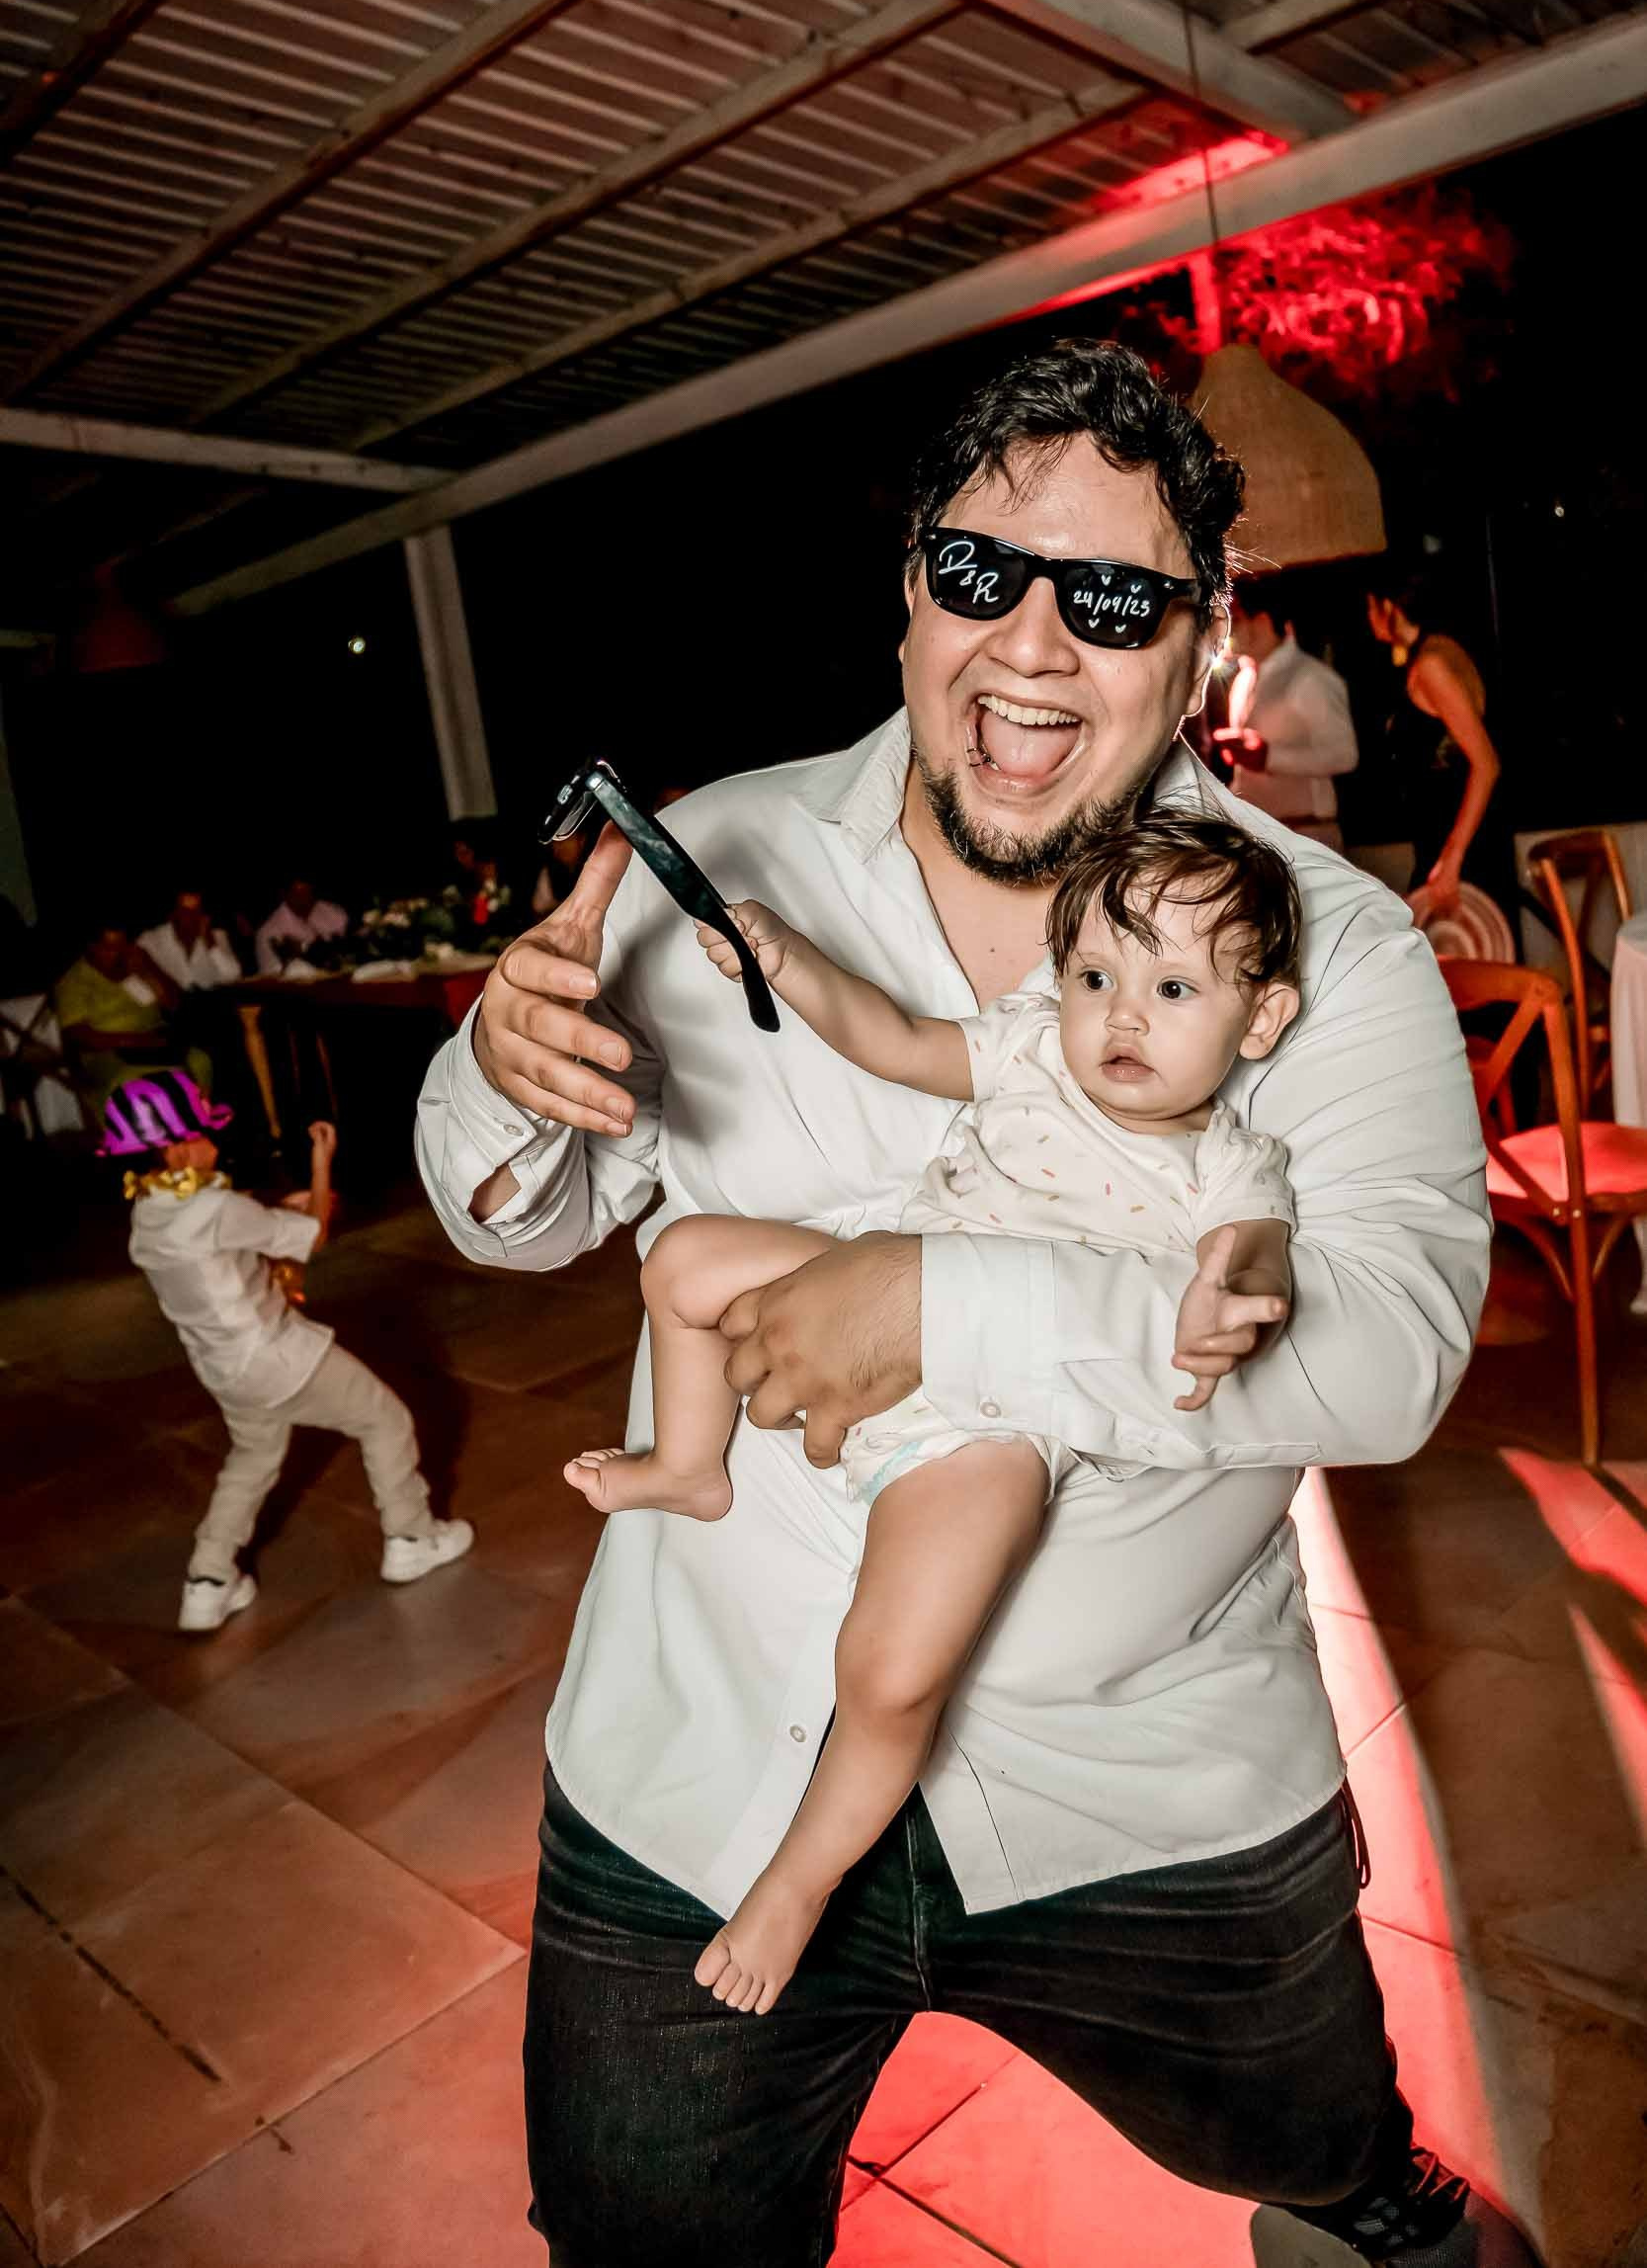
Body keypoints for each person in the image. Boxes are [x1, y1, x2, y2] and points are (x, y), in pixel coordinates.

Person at [417, 342, 1537, 2268]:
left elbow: (1389, 1352)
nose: (1028, 642)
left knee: (1318, 2137)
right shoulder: (722, 856)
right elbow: (517, 1214)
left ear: (1198, 642)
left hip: (1150, 1777)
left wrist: (943, 1307)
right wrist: (505, 1072)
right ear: (908, 592)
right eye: (978, 571)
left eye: (1106, 597)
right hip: (705, 1765)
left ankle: (1365, 2186)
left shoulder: (1324, 946)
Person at [566, 815, 1300, 2015]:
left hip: (993, 1421)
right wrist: (790, 962)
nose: (1120, 1018)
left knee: (895, 1668)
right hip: (866, 1287)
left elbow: (1252, 1246)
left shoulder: (1225, 1161)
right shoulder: (1033, 1050)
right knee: (683, 1256)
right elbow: (897, 1040)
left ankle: (797, 1880)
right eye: (1095, 978)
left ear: (1257, 1018)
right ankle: (692, 1465)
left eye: (1171, 989)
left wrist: (1236, 1294)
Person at [109, 1070, 474, 1633]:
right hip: (277, 1358)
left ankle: (207, 1581)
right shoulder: (215, 1208)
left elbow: (224, 1236)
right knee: (385, 1421)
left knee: (251, 1460)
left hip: (223, 1371)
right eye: (203, 1132)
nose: (213, 1141)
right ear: (177, 1148)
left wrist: (277, 1209)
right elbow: (312, 1235)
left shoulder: (148, 1215)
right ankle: (411, 1536)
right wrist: (321, 1162)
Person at [1366, 586, 1504, 921]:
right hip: (1446, 839)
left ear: (1388, 606)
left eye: (1370, 607)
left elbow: (1486, 764)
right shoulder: (1436, 651)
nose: (1368, 618)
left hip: (1456, 844)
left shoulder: (1432, 664)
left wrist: (1452, 858)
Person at [1214, 573, 1359, 850]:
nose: (1228, 629)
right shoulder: (1243, 681)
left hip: (1308, 836)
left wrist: (1269, 757)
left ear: (1262, 621)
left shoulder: (1308, 677)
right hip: (1259, 840)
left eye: (1236, 618)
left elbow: (1344, 755)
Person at [54, 920, 209, 1114]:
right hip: (109, 1053)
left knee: (199, 1061)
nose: (118, 953)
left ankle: (195, 1120)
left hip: (157, 1041)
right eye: (110, 948)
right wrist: (137, 1041)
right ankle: (159, 1127)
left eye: (122, 946)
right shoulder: (75, 981)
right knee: (145, 1077)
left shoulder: (134, 964)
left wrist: (149, 970)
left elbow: (174, 1003)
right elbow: (79, 1036)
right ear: (92, 947)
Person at [139, 889, 243, 990]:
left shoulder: (216, 936)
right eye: (186, 912)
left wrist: (211, 944)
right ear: (172, 915)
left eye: (197, 912)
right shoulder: (152, 939)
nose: (193, 918)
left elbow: (233, 975)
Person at [255, 877, 349, 976]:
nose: (305, 900)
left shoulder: (330, 912)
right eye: (298, 895)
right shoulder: (269, 932)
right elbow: (274, 976)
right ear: (284, 895)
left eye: (308, 894)